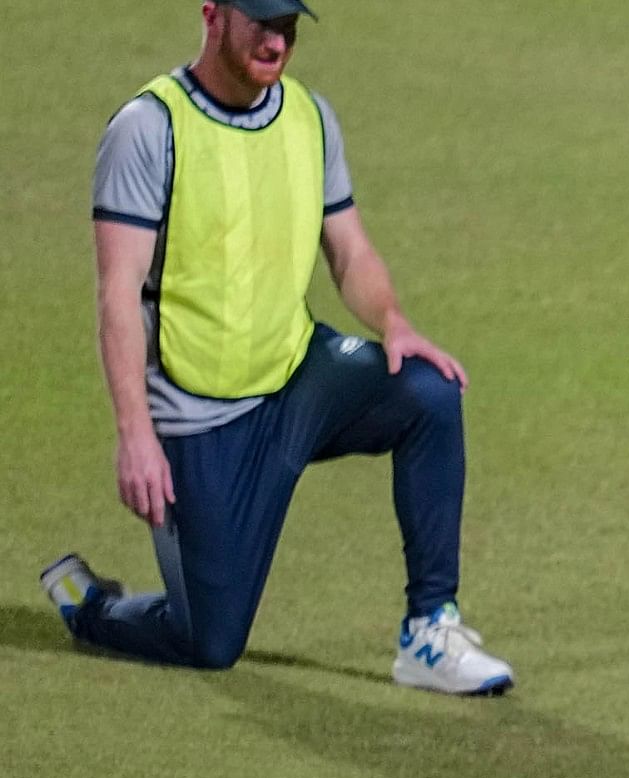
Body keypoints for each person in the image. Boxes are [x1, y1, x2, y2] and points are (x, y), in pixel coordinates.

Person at [42, 0, 514, 693]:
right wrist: (134, 433)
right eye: (260, 19)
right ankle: (94, 607)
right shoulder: (149, 128)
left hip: (299, 377)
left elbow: (348, 249)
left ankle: (428, 629)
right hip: (201, 415)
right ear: (212, 15)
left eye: (288, 21)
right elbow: (118, 293)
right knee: (209, 640)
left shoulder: (308, 116)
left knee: (429, 392)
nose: (277, 37)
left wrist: (394, 323)